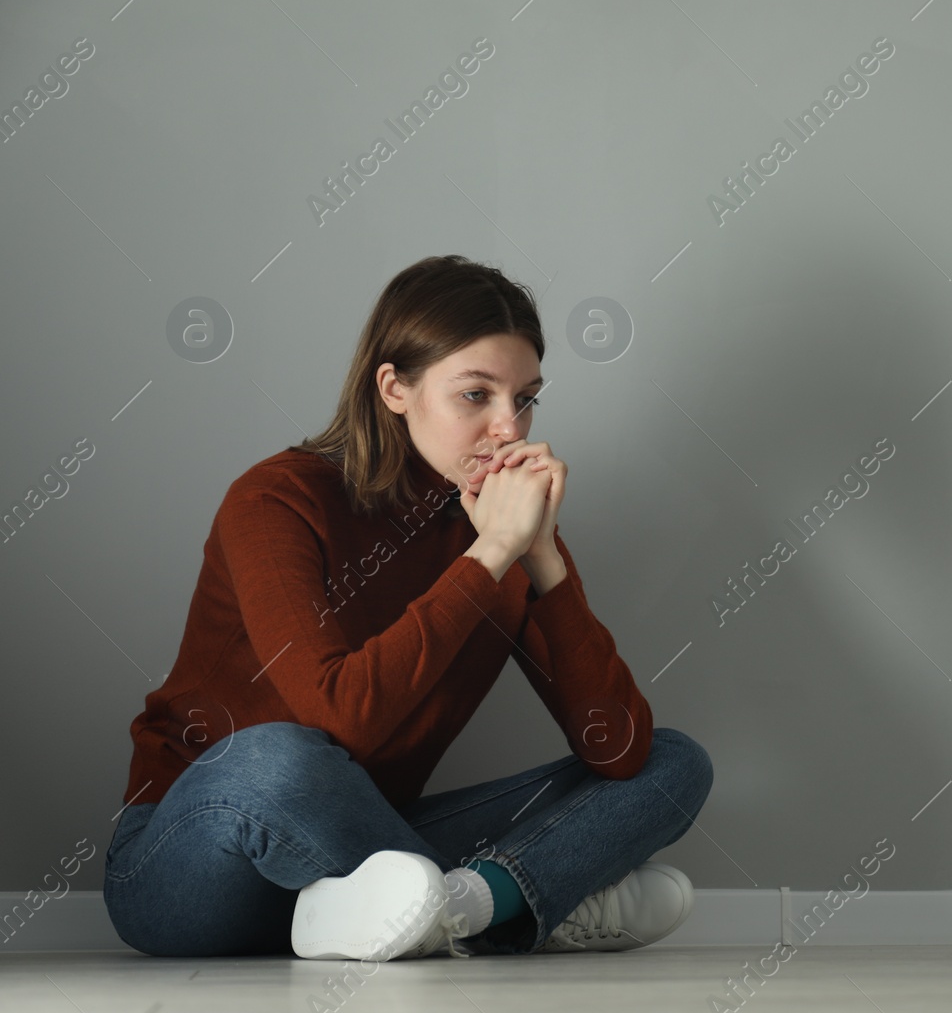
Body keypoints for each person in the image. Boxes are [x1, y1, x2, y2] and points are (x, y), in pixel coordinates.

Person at [104, 255, 713, 961]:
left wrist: (543, 559)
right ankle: (515, 902)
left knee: (672, 761)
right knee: (280, 758)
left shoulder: (504, 526)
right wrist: (488, 557)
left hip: (372, 856)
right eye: (476, 395)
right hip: (194, 861)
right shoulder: (275, 500)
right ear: (395, 388)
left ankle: (451, 907)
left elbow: (617, 748)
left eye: (525, 399)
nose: (508, 429)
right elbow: (342, 719)